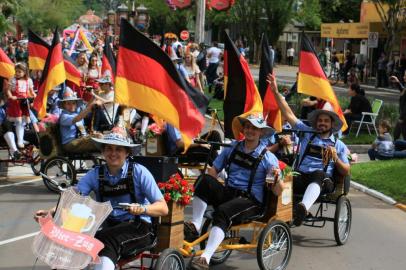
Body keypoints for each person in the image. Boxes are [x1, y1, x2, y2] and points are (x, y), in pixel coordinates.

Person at [34, 127, 168, 270]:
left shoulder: (139, 172)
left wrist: (142, 208)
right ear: (103, 152)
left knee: (104, 241)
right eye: (109, 149)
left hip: (139, 227)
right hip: (109, 227)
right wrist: (51, 212)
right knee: (78, 241)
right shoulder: (95, 174)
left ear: (127, 152)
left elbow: (163, 208)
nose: (113, 153)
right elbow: (74, 197)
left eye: (119, 149)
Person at [186, 113, 283, 270]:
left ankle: (205, 258)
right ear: (243, 129)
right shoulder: (232, 147)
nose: (250, 130)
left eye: (254, 128)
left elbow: (278, 192)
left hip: (251, 201)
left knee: (223, 212)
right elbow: (214, 171)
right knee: (204, 180)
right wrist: (210, 189)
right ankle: (195, 226)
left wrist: (277, 179)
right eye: (247, 126)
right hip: (229, 193)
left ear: (261, 133)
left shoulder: (269, 158)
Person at [267, 73, 350, 226]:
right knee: (280, 175)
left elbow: (345, 170)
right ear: (315, 123)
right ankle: (276, 215)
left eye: (326, 121)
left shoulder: (338, 144)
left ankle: (302, 208)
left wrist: (335, 158)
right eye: (320, 121)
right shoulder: (306, 133)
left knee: (318, 174)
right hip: (301, 176)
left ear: (332, 125)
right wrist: (275, 92)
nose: (322, 123)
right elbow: (288, 113)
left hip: (324, 181)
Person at [58, 87, 102, 153]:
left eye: (73, 103)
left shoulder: (76, 112)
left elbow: (86, 108)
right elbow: (77, 118)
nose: (71, 106)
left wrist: (94, 96)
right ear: (64, 105)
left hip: (81, 139)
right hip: (70, 144)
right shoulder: (64, 116)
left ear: (76, 104)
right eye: (68, 103)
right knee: (98, 140)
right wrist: (90, 107)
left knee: (100, 136)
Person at [5, 62, 36, 149]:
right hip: (15, 103)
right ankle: (19, 141)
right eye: (16, 71)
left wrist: (34, 95)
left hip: (24, 102)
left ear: (25, 72)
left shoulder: (28, 80)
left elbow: (31, 91)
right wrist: (11, 96)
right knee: (18, 121)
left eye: (20, 72)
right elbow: (8, 90)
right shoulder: (13, 80)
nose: (17, 73)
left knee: (22, 122)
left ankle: (20, 139)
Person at [389, 74, 406, 140]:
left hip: (404, 117)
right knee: (396, 133)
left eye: (405, 75)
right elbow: (403, 90)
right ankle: (395, 147)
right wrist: (397, 81)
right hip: (403, 116)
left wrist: (402, 117)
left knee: (400, 133)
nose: (403, 77)